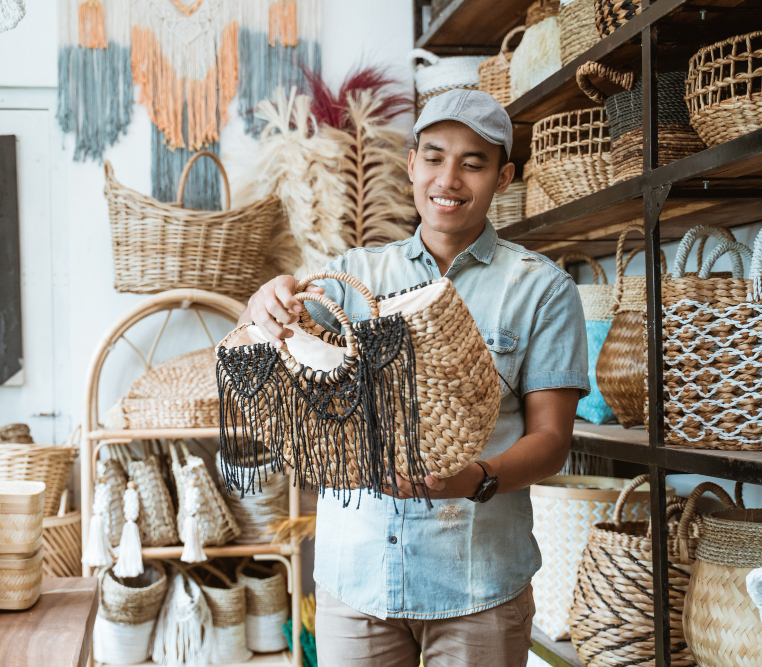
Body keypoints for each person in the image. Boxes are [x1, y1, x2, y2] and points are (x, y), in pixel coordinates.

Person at [239, 89, 589, 666]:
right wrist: (263, 304)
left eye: (473, 163)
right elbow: (275, 351)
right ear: (411, 164)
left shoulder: (540, 289)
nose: (448, 179)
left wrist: (471, 480)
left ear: (503, 179)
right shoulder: (353, 275)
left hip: (478, 586)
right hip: (357, 581)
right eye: (433, 156)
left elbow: (551, 444)